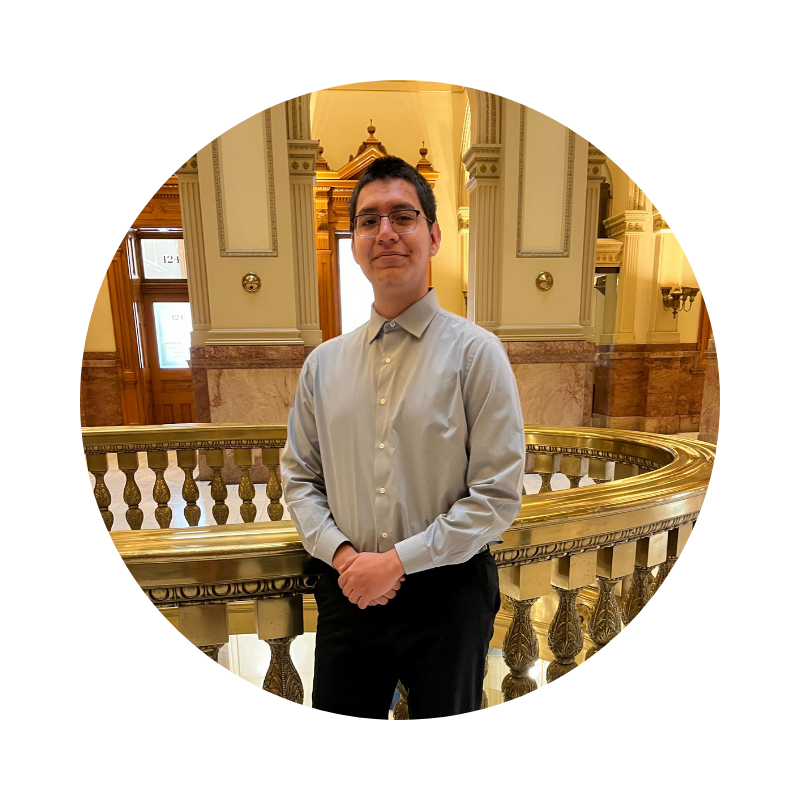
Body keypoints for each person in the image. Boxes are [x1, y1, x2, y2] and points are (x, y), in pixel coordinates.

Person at [280, 155, 526, 720]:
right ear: (354, 244)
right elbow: (299, 478)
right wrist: (345, 557)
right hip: (349, 589)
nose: (385, 232)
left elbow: (496, 495)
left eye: (403, 216)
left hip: (448, 593)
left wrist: (395, 562)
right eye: (368, 220)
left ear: (433, 236)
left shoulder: (476, 354)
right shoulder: (323, 365)